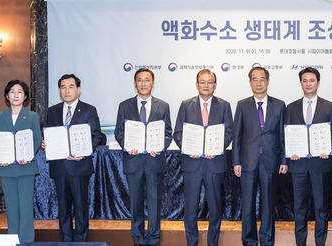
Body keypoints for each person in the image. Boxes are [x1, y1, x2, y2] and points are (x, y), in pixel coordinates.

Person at [173, 69, 233, 246]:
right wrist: (188, 147)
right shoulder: (185, 105)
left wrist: (216, 148)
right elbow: (178, 133)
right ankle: (192, 242)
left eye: (210, 82)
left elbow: (229, 132)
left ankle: (212, 243)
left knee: (215, 207)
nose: (206, 85)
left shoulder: (224, 105)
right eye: (203, 82)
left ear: (215, 85)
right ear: (197, 84)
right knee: (190, 208)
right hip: (192, 162)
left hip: (214, 163)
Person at [114, 68, 172, 246]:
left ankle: (153, 238)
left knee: (155, 204)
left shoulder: (163, 106)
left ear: (153, 83)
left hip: (155, 161)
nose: (144, 83)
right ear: (135, 84)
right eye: (140, 80)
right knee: (135, 203)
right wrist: (127, 145)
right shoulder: (124, 106)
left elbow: (168, 133)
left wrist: (160, 146)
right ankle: (138, 238)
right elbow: (119, 132)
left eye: (147, 80)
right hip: (134, 161)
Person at [43, 74, 103, 242]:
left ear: (78, 89)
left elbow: (96, 136)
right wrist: (45, 143)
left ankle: (81, 241)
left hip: (79, 166)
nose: (67, 90)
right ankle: (66, 241)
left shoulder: (89, 110)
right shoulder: (52, 111)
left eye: (70, 86)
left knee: (80, 208)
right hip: (60, 167)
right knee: (63, 208)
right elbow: (48, 134)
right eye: (63, 87)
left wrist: (83, 152)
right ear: (59, 90)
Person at [232, 67, 287, 246]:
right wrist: (236, 161)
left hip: (271, 162)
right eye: (254, 79)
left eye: (262, 79)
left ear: (268, 81)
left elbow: (282, 135)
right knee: (247, 205)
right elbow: (237, 135)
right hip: (248, 162)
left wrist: (284, 160)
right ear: (250, 83)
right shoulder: (242, 105)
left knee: (268, 205)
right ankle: (249, 240)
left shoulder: (279, 105)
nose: (258, 83)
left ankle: (267, 240)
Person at [284, 67, 332, 246]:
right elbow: (286, 135)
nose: (308, 84)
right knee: (299, 208)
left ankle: (320, 243)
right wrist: (290, 151)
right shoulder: (290, 108)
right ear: (301, 83)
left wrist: (327, 146)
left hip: (319, 164)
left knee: (320, 208)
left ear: (318, 83)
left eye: (312, 80)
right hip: (298, 165)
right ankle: (301, 243)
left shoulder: (329, 106)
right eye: (305, 80)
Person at [0, 80, 41, 242]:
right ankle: (13, 240)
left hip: (26, 168)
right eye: (12, 91)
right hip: (6, 168)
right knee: (11, 209)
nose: (16, 95)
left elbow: (37, 139)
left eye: (20, 91)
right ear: (7, 95)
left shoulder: (32, 116)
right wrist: (0, 158)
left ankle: (26, 241)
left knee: (25, 208)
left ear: (25, 96)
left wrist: (28, 155)